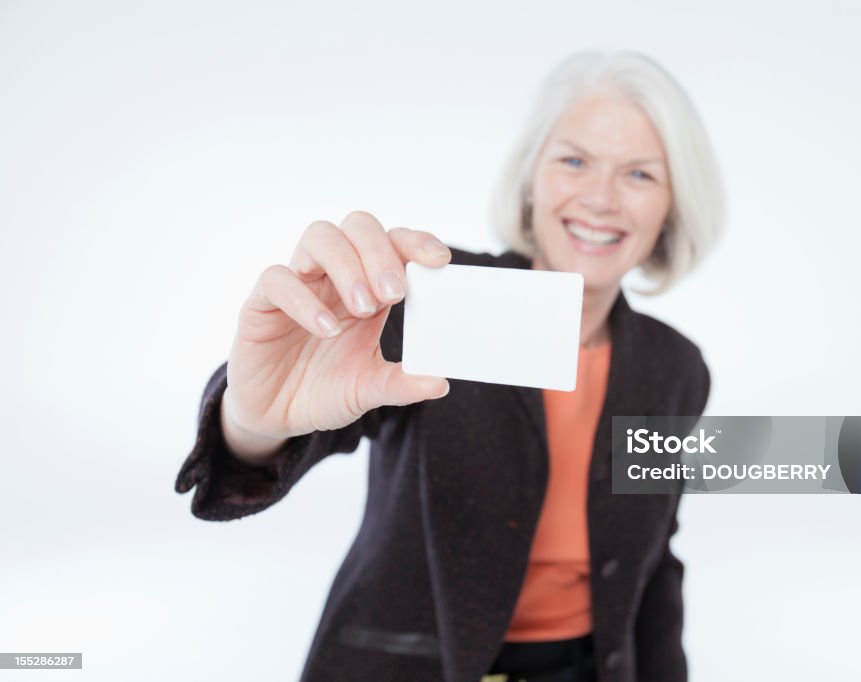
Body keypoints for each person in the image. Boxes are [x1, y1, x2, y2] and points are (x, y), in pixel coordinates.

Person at [175, 49, 724, 682]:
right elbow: (296, 427)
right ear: (531, 182)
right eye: (574, 160)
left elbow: (653, 563)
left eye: (640, 175)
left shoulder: (676, 366)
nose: (600, 198)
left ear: (671, 209)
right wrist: (250, 418)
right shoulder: (438, 297)